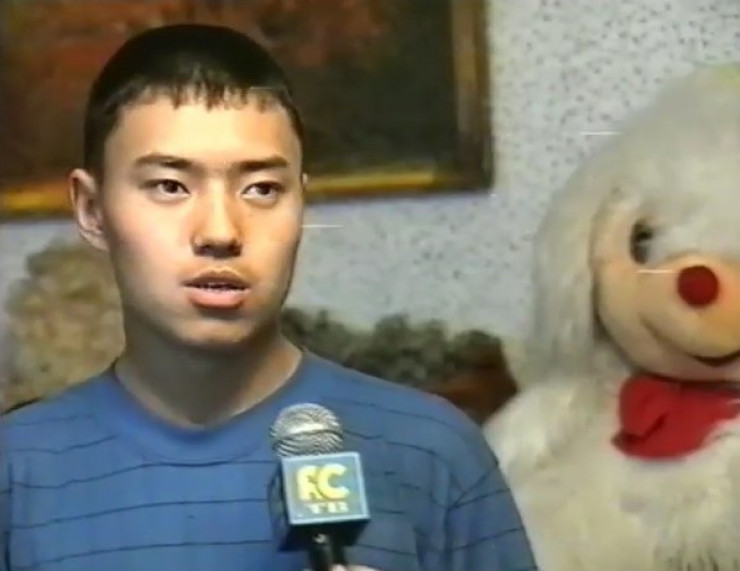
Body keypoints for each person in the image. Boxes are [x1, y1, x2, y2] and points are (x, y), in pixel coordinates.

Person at [0, 24, 537, 571]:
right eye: (170, 186)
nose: (220, 231)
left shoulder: (434, 451)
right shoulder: (16, 470)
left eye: (261, 189)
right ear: (92, 211)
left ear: (301, 203)